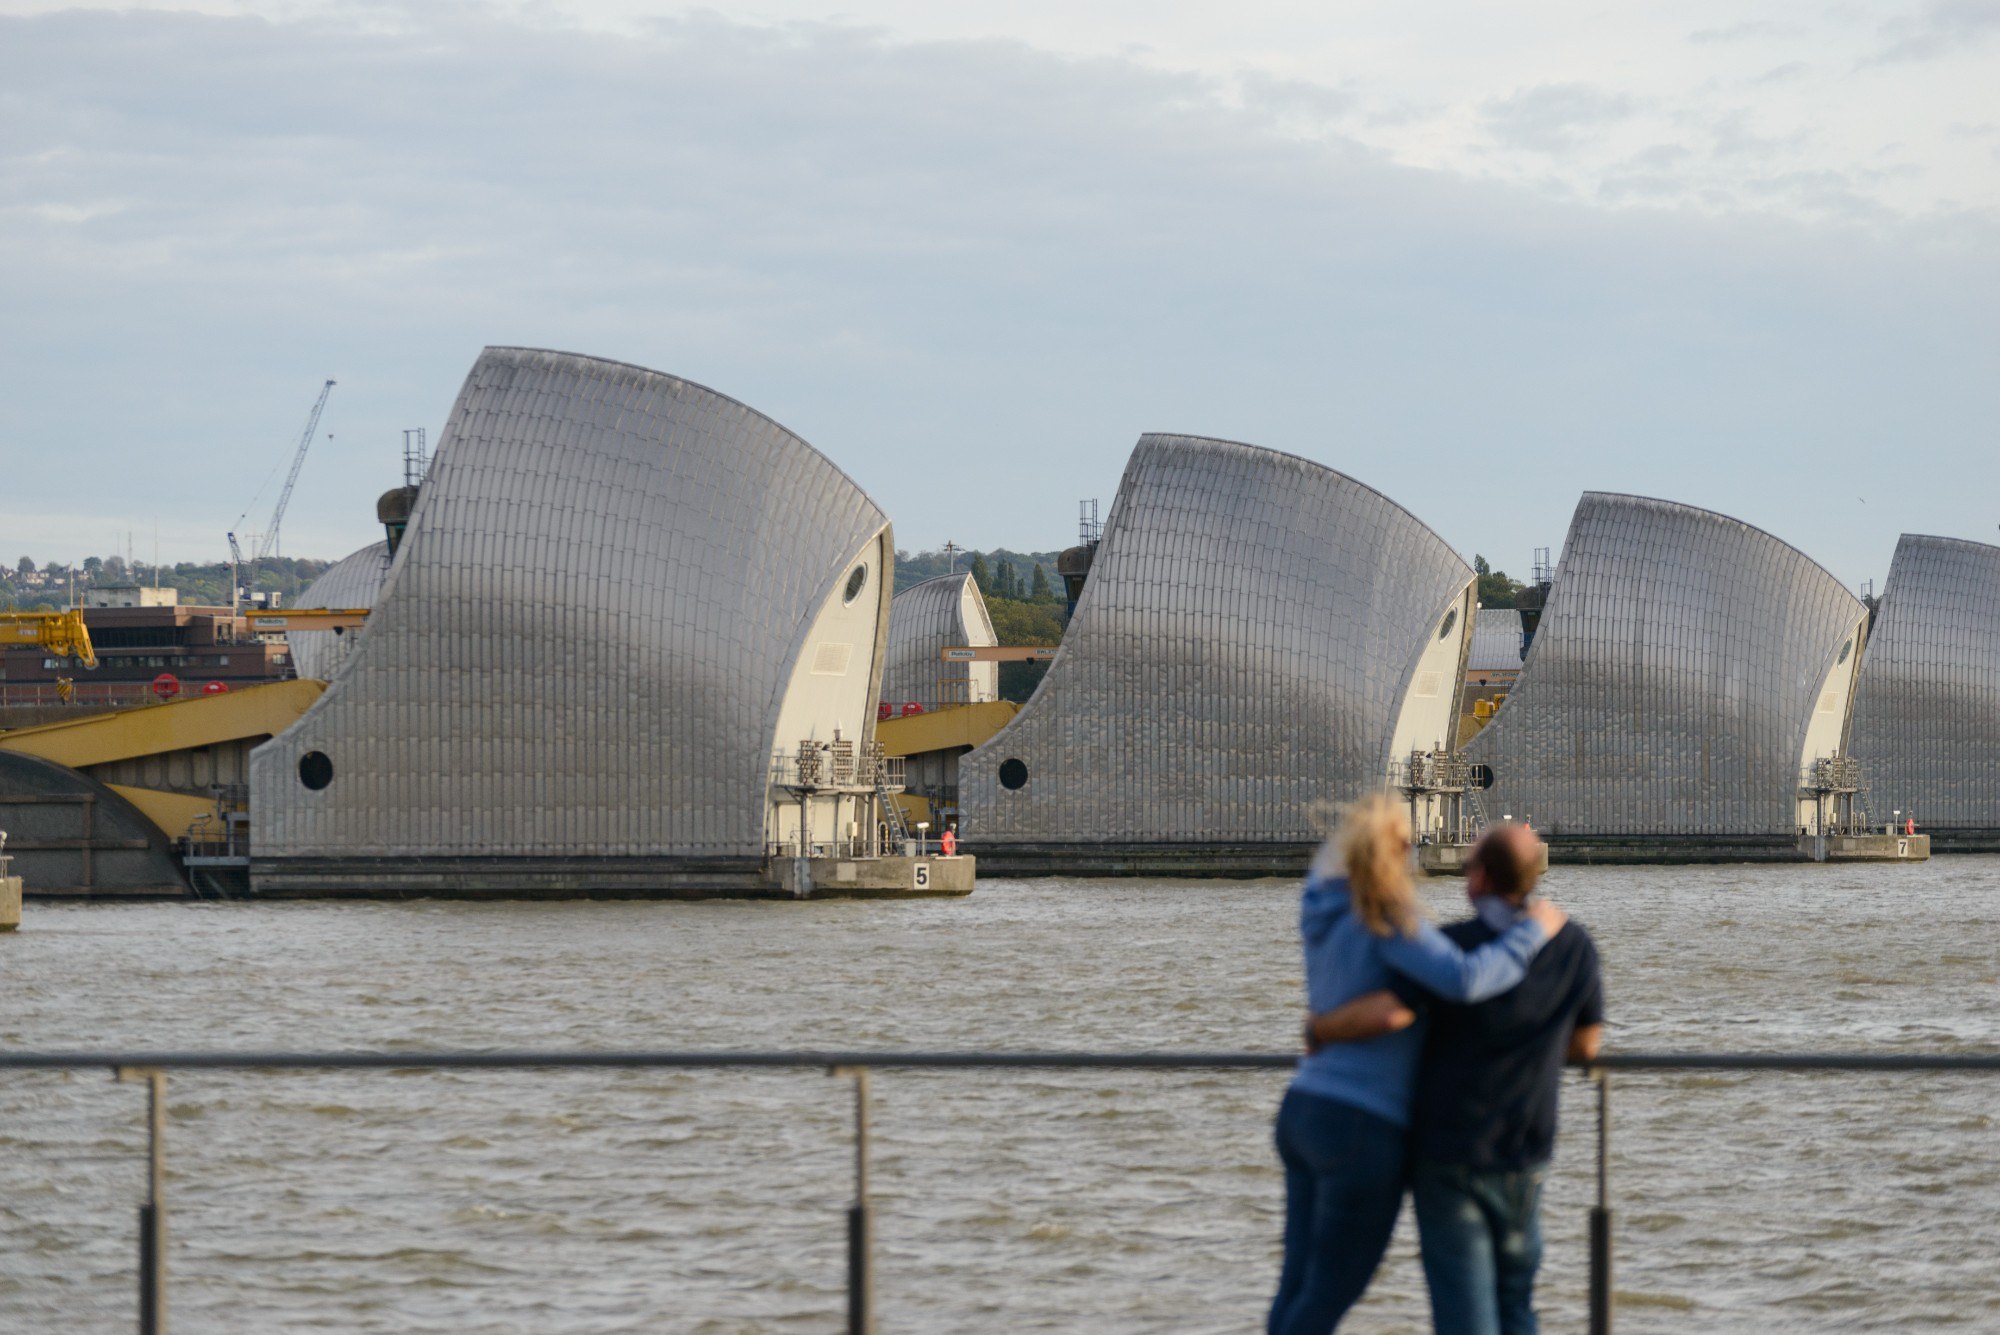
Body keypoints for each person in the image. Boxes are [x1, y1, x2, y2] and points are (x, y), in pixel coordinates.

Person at [1270, 795, 1567, 1335]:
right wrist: (1534, 932)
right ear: (1393, 851)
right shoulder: (1384, 913)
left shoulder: (1320, 906)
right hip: (1362, 1124)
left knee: (1295, 1286)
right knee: (1327, 1294)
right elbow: (1464, 979)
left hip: (1303, 1107)